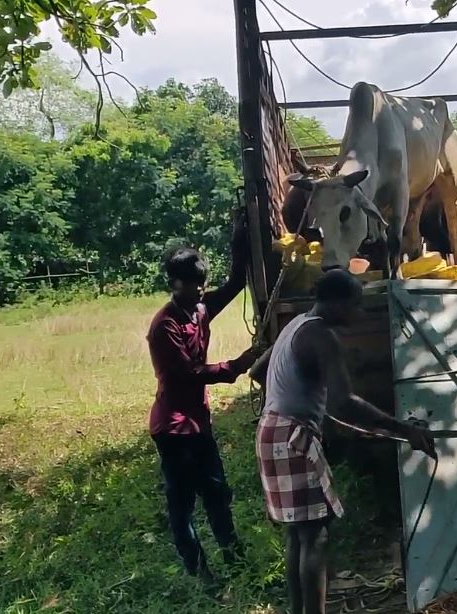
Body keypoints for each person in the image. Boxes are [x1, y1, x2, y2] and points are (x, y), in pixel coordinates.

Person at [253, 270, 436, 614]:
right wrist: (405, 429)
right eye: (356, 305)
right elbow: (345, 401)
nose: (360, 314)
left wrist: (307, 405)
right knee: (316, 536)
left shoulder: (296, 325)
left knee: (298, 534)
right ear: (336, 303)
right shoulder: (321, 335)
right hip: (292, 437)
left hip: (271, 431)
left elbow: (258, 373)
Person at [146, 211, 260, 582]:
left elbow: (236, 283)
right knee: (183, 506)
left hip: (198, 421)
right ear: (174, 283)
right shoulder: (164, 326)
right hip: (174, 427)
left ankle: (236, 561)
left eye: (202, 285)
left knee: (217, 493)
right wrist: (238, 365)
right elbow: (188, 375)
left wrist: (238, 238)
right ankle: (201, 575)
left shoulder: (198, 308)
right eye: (192, 285)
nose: (199, 291)